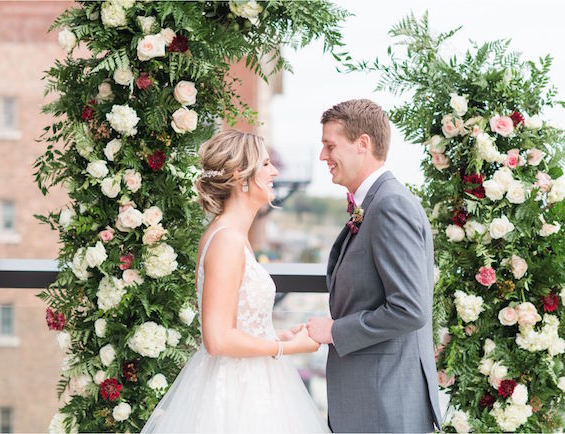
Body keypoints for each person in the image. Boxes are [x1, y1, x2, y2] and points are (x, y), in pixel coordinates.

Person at [141, 129, 328, 433]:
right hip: (235, 395)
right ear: (242, 175)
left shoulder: (232, 235)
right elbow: (217, 339)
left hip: (249, 380)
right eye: (266, 164)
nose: (275, 171)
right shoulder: (227, 239)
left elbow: (236, 321)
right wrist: (289, 349)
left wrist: (277, 335)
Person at [306, 99, 441, 432]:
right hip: (373, 402)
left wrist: (335, 331)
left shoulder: (390, 205)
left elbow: (410, 309)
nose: (323, 156)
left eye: (330, 145)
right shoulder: (374, 203)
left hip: (386, 405)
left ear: (362, 144)